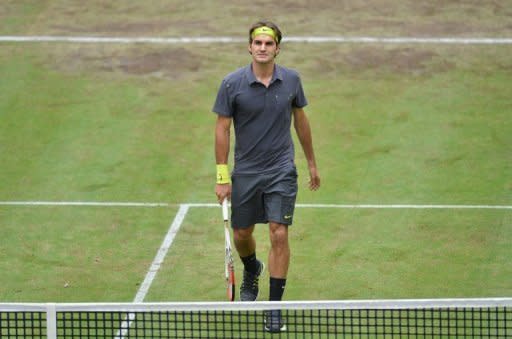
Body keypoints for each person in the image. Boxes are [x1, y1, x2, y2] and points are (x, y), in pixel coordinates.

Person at [213, 20, 320, 332]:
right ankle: (251, 268)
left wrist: (311, 162)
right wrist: (222, 175)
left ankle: (274, 308)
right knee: (242, 235)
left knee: (279, 233)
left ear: (277, 48)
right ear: (250, 47)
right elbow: (222, 128)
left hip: (281, 170)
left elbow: (301, 121)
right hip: (246, 171)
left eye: (268, 44)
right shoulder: (232, 84)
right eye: (257, 43)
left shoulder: (292, 81)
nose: (262, 48)